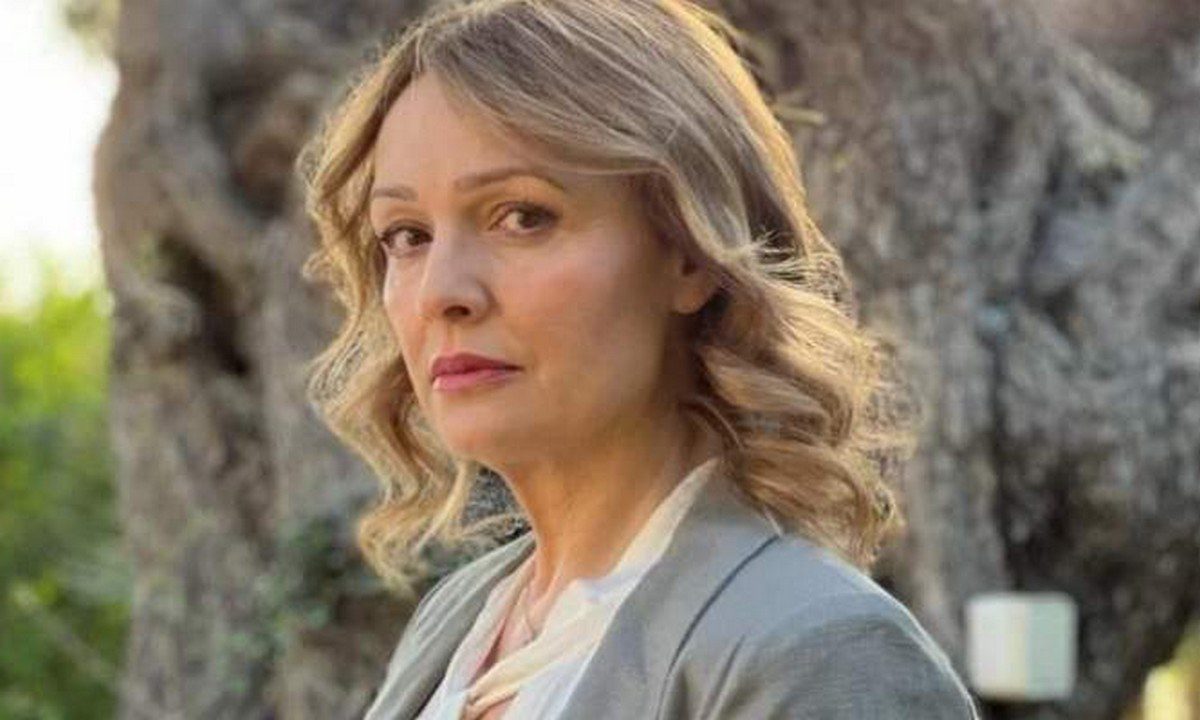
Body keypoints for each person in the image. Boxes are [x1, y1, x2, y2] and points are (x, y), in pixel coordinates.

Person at [299, 0, 982, 717]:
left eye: (523, 217)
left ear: (690, 253)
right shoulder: (460, 623)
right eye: (407, 235)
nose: (441, 292)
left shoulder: (821, 655)